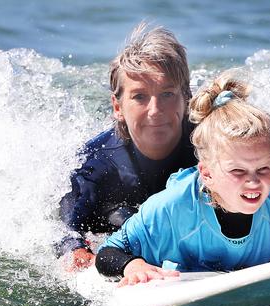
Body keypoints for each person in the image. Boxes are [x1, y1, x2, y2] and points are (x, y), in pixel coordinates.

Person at [94, 73, 270, 287]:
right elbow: (107, 253)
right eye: (238, 171)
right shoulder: (170, 209)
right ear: (207, 173)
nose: (253, 181)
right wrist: (132, 265)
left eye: (264, 168)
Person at [56, 22, 197, 269]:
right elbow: (65, 234)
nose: (156, 111)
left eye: (167, 94)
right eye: (140, 96)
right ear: (118, 107)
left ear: (186, 97)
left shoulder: (209, 146)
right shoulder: (95, 163)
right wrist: (81, 255)